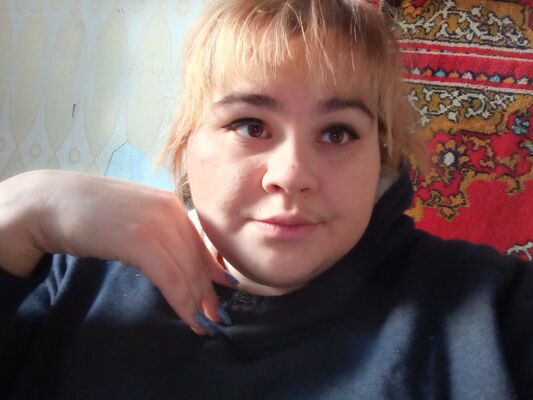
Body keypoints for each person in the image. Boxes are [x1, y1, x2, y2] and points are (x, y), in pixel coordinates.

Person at [0, 0, 531, 399]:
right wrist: (18, 209)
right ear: (186, 144)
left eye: (338, 133)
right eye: (251, 125)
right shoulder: (65, 281)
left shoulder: (499, 313)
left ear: (383, 158)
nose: (291, 175)